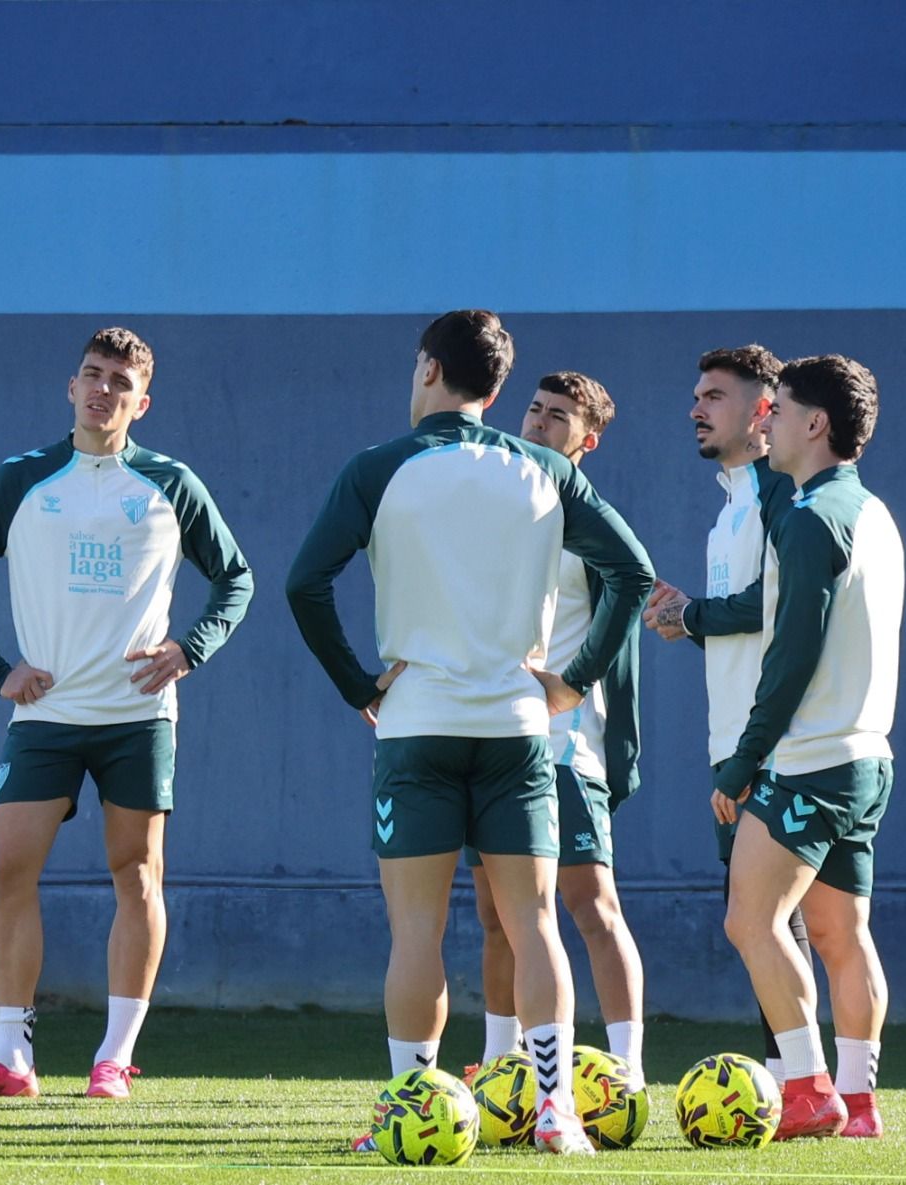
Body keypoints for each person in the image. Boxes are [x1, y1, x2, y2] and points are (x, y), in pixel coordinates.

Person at [285, 311, 653, 1156]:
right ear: (494, 390)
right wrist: (573, 678)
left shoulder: (380, 467)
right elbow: (632, 572)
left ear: (427, 369)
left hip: (415, 726)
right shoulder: (544, 469)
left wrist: (357, 685)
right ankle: (557, 1112)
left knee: (416, 931)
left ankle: (404, 1111)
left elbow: (305, 585)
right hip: (519, 730)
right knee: (534, 923)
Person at [0, 327, 253, 1102]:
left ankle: (114, 1055)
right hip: (45, 715)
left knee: (137, 872)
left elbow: (235, 579)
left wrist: (191, 647)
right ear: (70, 387)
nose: (103, 389)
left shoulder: (171, 482)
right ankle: (11, 1056)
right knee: (9, 868)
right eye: (92, 375)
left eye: (120, 380)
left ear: (142, 400)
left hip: (139, 717)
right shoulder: (23, 479)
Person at [706, 354, 904, 1140]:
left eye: (778, 408)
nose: (767, 420)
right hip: (868, 757)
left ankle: (806, 1086)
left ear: (815, 423)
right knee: (839, 935)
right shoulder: (876, 513)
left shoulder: (808, 517)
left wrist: (744, 759)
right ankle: (857, 1104)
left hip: (813, 758)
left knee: (750, 921)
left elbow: (791, 656)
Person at [465, 372, 646, 1091]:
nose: (538, 424)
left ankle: (627, 1069)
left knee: (590, 904)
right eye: (534, 410)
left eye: (558, 416)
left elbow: (623, 627)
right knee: (494, 914)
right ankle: (504, 1065)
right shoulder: (496, 511)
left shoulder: (591, 525)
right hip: (490, 737)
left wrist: (596, 721)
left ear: (587, 440)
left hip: (566, 747)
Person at [643, 345, 810, 1086]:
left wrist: (695, 613)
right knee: (767, 919)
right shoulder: (732, 503)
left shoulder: (779, 492)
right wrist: (689, 617)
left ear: (762, 410)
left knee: (776, 919)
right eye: (697, 394)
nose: (696, 408)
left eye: (714, 395)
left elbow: (781, 605)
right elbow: (744, 616)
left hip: (776, 744)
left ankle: (811, 1082)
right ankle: (797, 1079)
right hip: (735, 742)